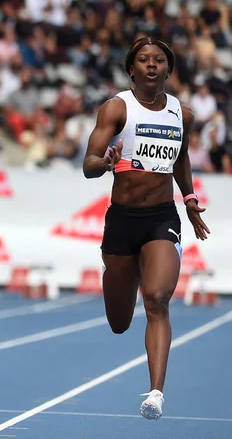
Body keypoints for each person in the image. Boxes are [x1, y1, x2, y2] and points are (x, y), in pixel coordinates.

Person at [82, 37, 210, 421]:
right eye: (143, 59)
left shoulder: (181, 114)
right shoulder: (117, 108)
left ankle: (155, 393)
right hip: (122, 221)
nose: (151, 65)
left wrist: (188, 200)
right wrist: (104, 162)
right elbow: (87, 163)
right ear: (131, 68)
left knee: (156, 299)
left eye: (159, 60)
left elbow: (182, 158)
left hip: (161, 218)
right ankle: (116, 270)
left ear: (168, 70)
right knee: (120, 323)